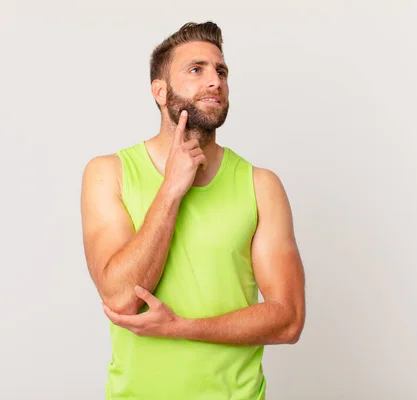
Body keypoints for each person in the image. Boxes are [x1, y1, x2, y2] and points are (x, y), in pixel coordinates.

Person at [80, 21, 306, 400]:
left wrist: (182, 327)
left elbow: (288, 320)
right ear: (160, 91)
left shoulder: (261, 185)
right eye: (196, 70)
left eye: (221, 71)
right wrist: (171, 189)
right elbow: (121, 298)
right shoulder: (109, 173)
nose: (215, 81)